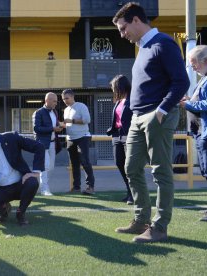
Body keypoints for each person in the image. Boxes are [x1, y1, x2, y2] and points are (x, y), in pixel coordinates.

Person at [113, 2, 190, 243]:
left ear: (136, 20)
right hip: (138, 117)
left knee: (160, 171)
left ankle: (159, 227)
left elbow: (181, 82)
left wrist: (162, 110)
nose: (122, 35)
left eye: (123, 29)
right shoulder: (143, 48)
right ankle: (141, 220)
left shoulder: (164, 44)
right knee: (131, 168)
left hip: (157, 115)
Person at [178, 45, 207, 222]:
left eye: (194, 62)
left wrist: (187, 104)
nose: (192, 66)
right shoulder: (203, 79)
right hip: (201, 133)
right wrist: (190, 101)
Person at [62, 89, 95, 195]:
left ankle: (90, 187)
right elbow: (68, 124)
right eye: (63, 99)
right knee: (74, 164)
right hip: (71, 139)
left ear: (72, 97)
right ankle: (76, 187)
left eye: (67, 98)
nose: (65, 100)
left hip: (83, 137)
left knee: (85, 162)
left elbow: (87, 120)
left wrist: (71, 121)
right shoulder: (66, 110)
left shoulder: (81, 106)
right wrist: (61, 126)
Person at [107, 75, 133, 205]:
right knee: (119, 163)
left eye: (113, 87)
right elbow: (117, 118)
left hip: (129, 135)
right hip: (117, 135)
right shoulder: (118, 100)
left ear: (120, 86)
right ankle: (129, 191)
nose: (112, 90)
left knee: (130, 166)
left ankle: (133, 194)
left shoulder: (133, 99)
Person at [33, 92, 63, 196]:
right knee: (45, 166)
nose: (56, 103)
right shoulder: (39, 112)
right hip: (42, 144)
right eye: (54, 101)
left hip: (53, 144)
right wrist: (52, 129)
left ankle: (44, 186)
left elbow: (54, 125)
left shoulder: (55, 112)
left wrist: (59, 126)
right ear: (47, 100)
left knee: (51, 167)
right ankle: (44, 189)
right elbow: (36, 129)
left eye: (56, 101)